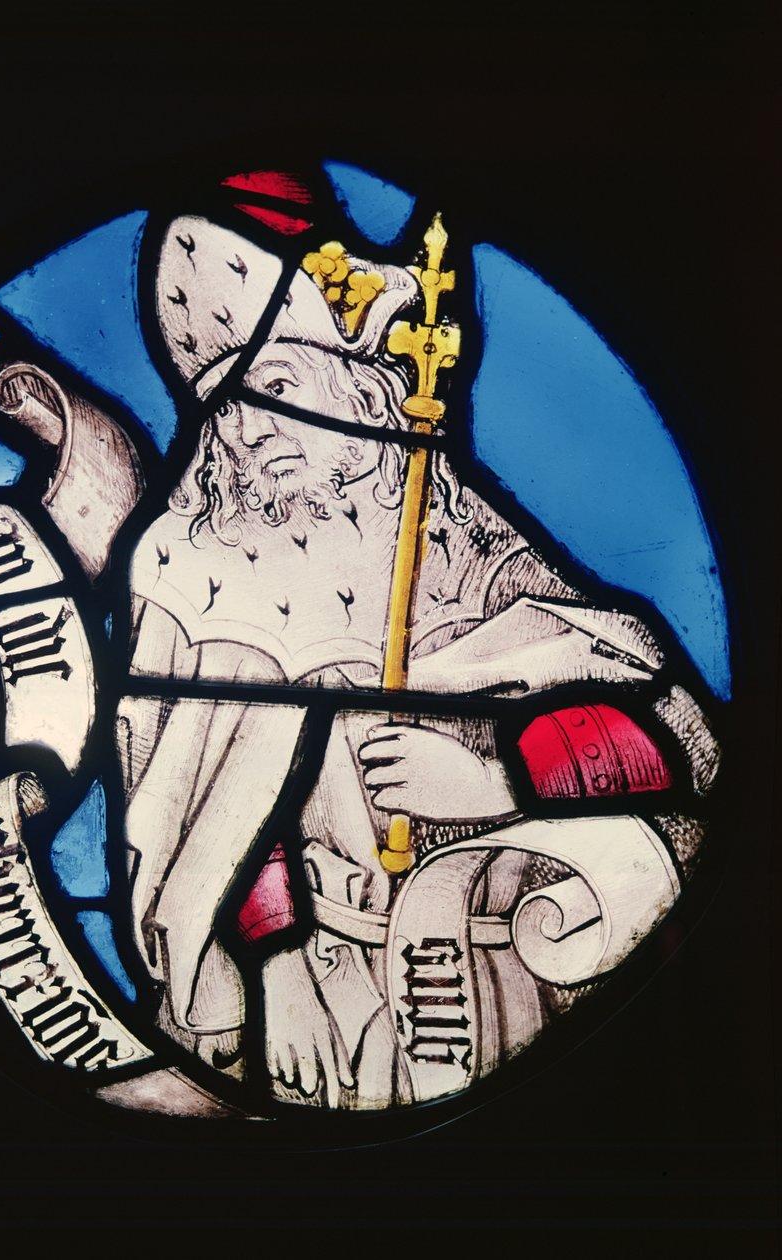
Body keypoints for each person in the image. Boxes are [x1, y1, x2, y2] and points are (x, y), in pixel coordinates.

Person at [114, 215, 716, 1110]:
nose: (250, 431)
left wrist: (500, 784)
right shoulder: (207, 581)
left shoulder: (472, 551)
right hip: (316, 990)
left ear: (355, 388)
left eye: (275, 384)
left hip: (495, 970)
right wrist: (274, 961)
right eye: (226, 407)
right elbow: (198, 797)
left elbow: (673, 741)